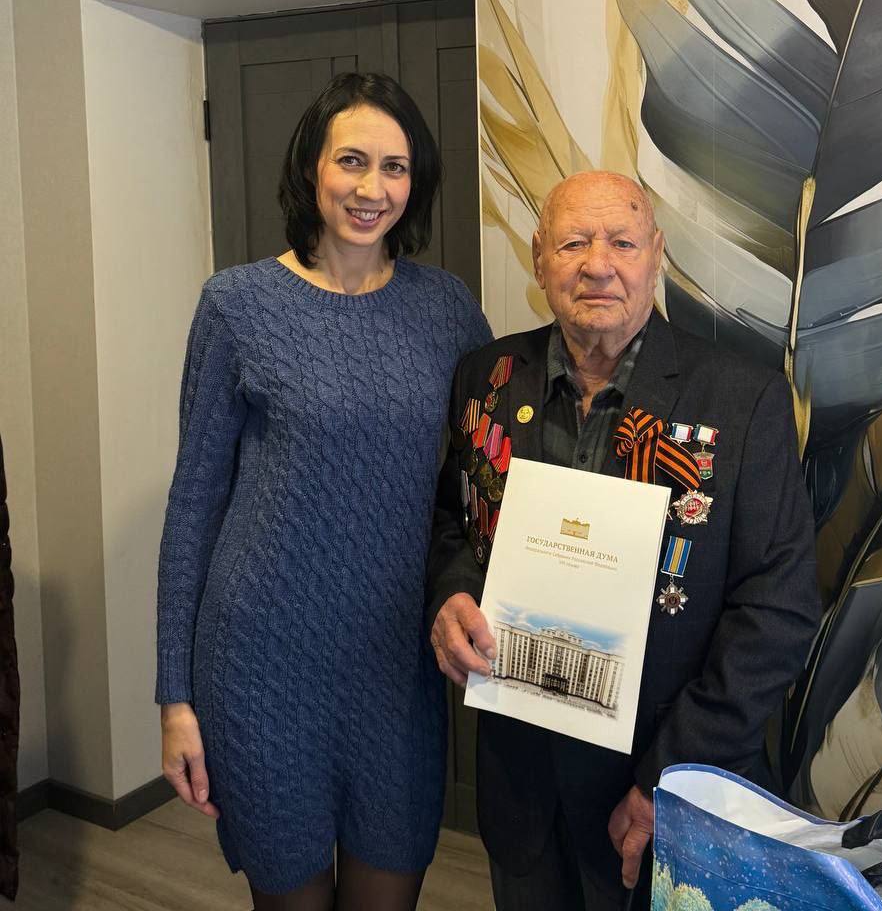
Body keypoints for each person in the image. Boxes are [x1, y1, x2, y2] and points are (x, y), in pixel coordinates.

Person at [427, 171, 820, 911]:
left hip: (663, 799)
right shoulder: (486, 377)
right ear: (539, 257)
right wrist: (452, 594)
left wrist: (666, 777)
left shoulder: (742, 400)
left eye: (622, 242)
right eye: (573, 243)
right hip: (523, 792)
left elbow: (778, 612)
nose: (598, 265)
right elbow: (454, 517)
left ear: (656, 254)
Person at [157, 72, 491, 911]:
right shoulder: (237, 306)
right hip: (260, 664)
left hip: (396, 668)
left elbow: (486, 477)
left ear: (415, 182)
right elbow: (193, 507)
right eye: (352, 161)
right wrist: (175, 698)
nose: (372, 188)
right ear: (312, 166)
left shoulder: (447, 310)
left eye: (395, 167)